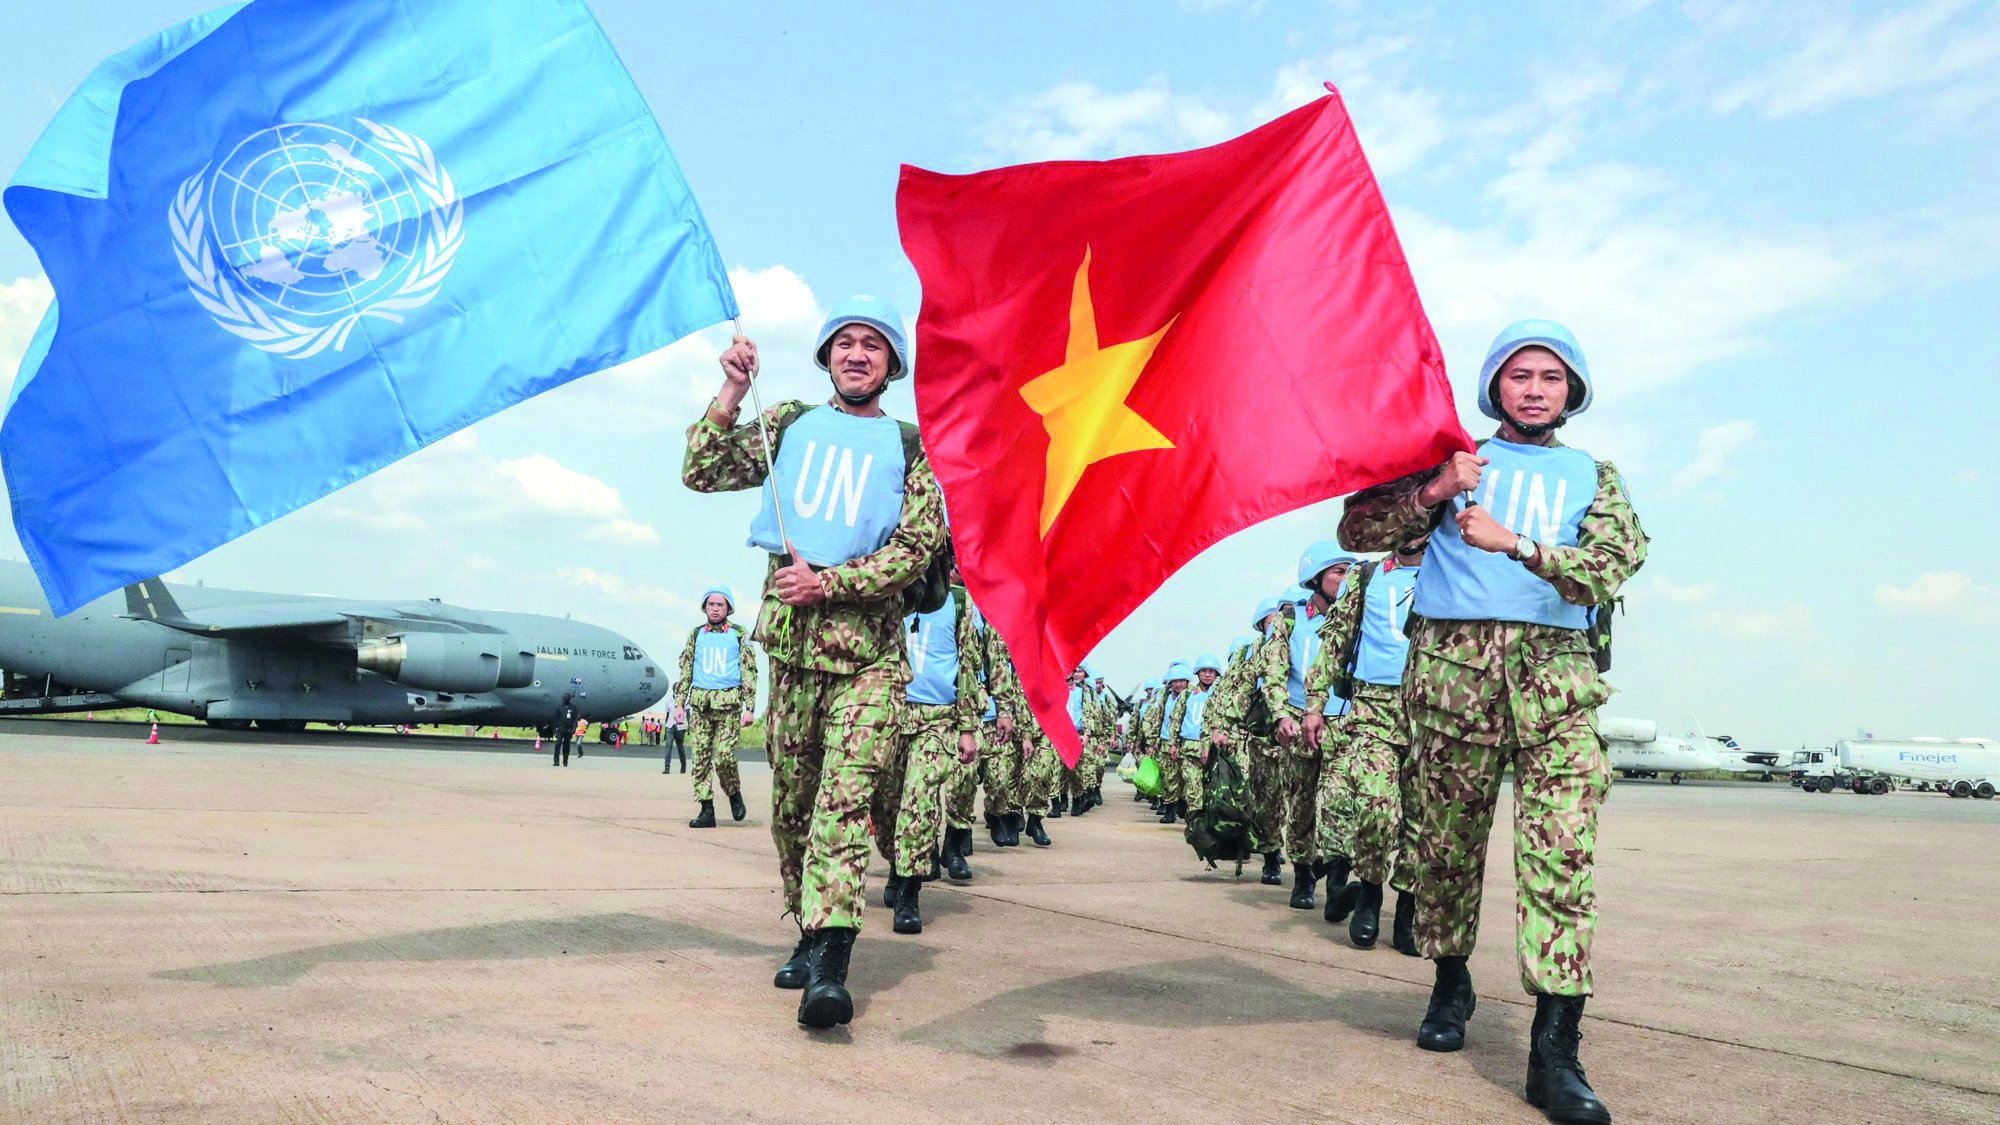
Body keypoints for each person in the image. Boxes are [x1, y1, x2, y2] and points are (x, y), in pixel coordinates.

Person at [1340, 319, 1643, 1124]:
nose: (1535, 388)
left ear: (1571, 391)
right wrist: (1434, 492)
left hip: (1557, 685)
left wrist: (1519, 546)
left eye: (1550, 376)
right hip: (1451, 678)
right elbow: (1357, 529)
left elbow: (1610, 566)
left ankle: (1555, 1052)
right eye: (1519, 375)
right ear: (1494, 388)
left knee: (1562, 855)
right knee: (1444, 846)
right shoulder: (1451, 460)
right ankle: (1449, 982)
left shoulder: (1594, 476)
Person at [682, 296, 947, 1030]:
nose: (857, 354)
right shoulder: (790, 422)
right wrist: (733, 390)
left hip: (870, 661)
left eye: (873, 345)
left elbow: (916, 548)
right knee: (794, 810)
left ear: (893, 364)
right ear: (827, 355)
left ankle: (831, 960)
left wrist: (830, 581)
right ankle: (806, 923)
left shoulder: (912, 445)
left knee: (843, 804)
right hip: (794, 653)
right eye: (844, 342)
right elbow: (701, 469)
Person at [1305, 534, 1428, 954]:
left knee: (1422, 818)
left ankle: (1408, 909)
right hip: (1373, 705)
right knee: (1376, 807)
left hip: (1432, 708)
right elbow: (1335, 639)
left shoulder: (1452, 566)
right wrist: (1315, 704)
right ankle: (1371, 892)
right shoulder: (1367, 575)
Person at [878, 573, 982, 933]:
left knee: (918, 802)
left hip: (939, 717)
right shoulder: (889, 591)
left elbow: (969, 666)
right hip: (889, 712)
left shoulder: (959, 603)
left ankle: (909, 890)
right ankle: (895, 864)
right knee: (885, 803)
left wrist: (967, 726)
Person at [1253, 547, 1356, 909]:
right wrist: (1282, 715)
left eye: (1348, 572)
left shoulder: (1358, 618)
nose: (1345, 579)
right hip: (1298, 722)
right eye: (1337, 572)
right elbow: (1274, 673)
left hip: (1344, 723)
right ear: (1316, 578)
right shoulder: (1290, 621)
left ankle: (1338, 884)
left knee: (1341, 802)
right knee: (1302, 803)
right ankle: (1304, 875)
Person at [674, 584, 759, 828]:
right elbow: (686, 668)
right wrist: (680, 702)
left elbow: (748, 671)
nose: (714, 609)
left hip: (729, 705)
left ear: (728, 608)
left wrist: (750, 707)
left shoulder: (739, 634)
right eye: (710, 604)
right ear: (704, 607)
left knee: (723, 756)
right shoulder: (696, 634)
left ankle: (733, 792)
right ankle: (706, 809)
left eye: (720, 604)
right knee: (700, 758)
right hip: (700, 705)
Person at [1176, 654, 1223, 813]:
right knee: (1192, 788)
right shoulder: (1187, 694)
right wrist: (1172, 744)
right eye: (1204, 671)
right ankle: (1194, 821)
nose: (1207, 675)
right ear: (1197, 673)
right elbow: (1176, 720)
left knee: (1211, 789)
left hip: (1213, 749)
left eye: (1211, 671)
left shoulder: (1222, 695)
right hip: (1189, 748)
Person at [1152, 663, 1193, 824]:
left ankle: (1183, 805)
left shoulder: (1192, 695)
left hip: (1185, 743)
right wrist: (1154, 739)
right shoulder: (1164, 696)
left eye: (1181, 681)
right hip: (1165, 741)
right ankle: (1169, 810)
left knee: (1185, 777)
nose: (1178, 684)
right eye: (1174, 681)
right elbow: (1159, 717)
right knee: (1168, 778)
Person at [551, 693, 578, 767]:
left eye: (566, 698)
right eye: (564, 698)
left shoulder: (573, 708)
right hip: (560, 729)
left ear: (569, 699)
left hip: (568, 730)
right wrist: (554, 729)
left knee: (566, 746)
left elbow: (575, 719)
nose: (564, 699)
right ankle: (556, 761)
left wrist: (574, 728)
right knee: (558, 744)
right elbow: (555, 719)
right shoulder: (559, 707)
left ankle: (565, 762)